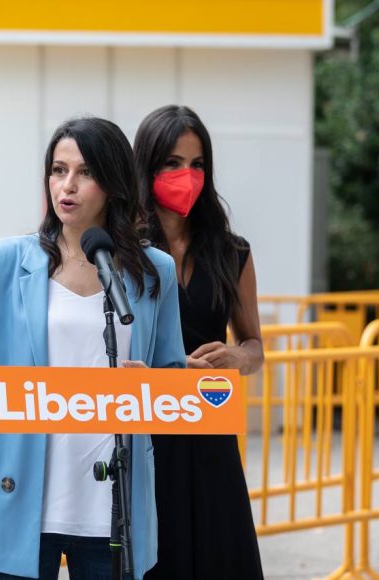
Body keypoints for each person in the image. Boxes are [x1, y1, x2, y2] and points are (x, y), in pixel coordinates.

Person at [0, 117, 186, 579]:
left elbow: (172, 377)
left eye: (85, 172)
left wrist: (150, 386)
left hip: (114, 504)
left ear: (113, 182)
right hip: (17, 494)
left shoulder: (154, 271)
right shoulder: (4, 261)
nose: (67, 185)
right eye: (58, 169)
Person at [133, 105, 264, 579]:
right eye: (171, 163)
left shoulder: (232, 252)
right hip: (143, 432)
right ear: (145, 166)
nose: (186, 175)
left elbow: (255, 349)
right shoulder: (121, 251)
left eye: (197, 164)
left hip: (209, 428)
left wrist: (235, 356)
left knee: (219, 560)